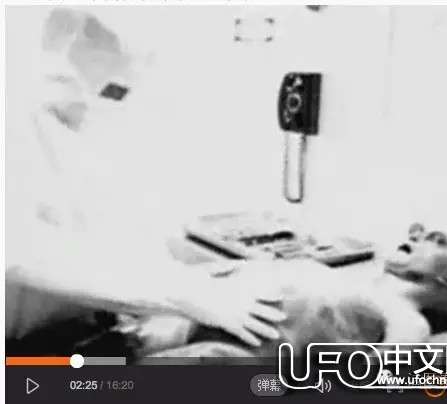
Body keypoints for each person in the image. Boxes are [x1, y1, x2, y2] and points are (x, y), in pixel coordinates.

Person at [5, 8, 286, 352]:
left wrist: (185, 288)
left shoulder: (96, 131)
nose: (109, 102)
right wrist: (182, 296)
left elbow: (125, 234)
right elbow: (23, 250)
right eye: (112, 89)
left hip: (79, 335)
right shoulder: (18, 126)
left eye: (120, 91)